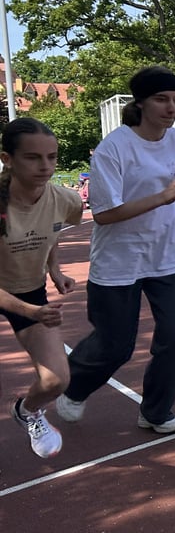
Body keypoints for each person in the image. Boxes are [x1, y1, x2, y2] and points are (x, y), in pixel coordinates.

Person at [56, 66, 175, 434]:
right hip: (120, 260)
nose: (171, 107)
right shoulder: (113, 149)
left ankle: (156, 412)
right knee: (115, 345)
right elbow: (104, 215)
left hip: (168, 256)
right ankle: (73, 387)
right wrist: (162, 197)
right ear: (141, 103)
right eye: (162, 99)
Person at [0, 118, 82, 458]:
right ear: (8, 159)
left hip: (29, 290)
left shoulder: (65, 199)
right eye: (33, 157)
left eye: (52, 157)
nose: (46, 166)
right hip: (19, 299)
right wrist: (31, 312)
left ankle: (27, 411)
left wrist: (54, 269)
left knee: (56, 381)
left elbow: (53, 231)